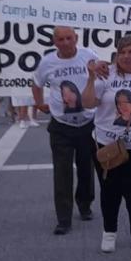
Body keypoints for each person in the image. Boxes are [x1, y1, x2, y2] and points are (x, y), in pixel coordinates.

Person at [81, 36, 131, 260]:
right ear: (117, 53)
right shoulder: (107, 73)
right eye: (123, 51)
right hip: (108, 144)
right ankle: (109, 231)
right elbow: (87, 103)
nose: (127, 56)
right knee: (110, 190)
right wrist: (90, 77)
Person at [32, 27, 98, 235]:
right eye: (60, 39)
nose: (66, 42)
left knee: (86, 168)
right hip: (61, 125)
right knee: (62, 172)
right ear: (54, 42)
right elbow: (36, 82)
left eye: (69, 38)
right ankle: (63, 218)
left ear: (76, 39)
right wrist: (38, 102)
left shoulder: (89, 56)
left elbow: (103, 76)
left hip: (87, 122)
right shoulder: (48, 62)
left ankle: (85, 204)